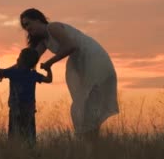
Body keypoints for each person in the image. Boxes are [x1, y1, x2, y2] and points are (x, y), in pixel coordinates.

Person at [19, 8, 119, 139]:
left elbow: (71, 46)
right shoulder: (43, 41)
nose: (27, 29)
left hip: (91, 58)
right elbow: (29, 59)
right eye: (24, 27)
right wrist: (8, 71)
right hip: (81, 64)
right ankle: (92, 144)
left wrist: (50, 62)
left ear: (37, 20)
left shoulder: (53, 27)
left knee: (89, 104)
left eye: (28, 24)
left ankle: (91, 142)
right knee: (85, 106)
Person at [0, 48, 52, 145]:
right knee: (29, 135)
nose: (17, 59)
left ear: (22, 60)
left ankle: (15, 152)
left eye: (19, 57)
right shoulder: (33, 74)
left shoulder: (14, 72)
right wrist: (48, 69)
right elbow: (49, 79)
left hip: (15, 109)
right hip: (29, 110)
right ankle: (30, 152)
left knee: (14, 135)